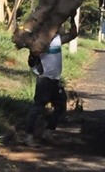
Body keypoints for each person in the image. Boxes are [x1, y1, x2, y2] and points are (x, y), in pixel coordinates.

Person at [23, 15, 78, 147]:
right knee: (37, 108)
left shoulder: (58, 39)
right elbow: (32, 57)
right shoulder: (40, 41)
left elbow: (73, 35)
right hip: (44, 80)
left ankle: (48, 132)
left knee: (60, 106)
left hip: (55, 81)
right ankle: (28, 136)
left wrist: (72, 18)